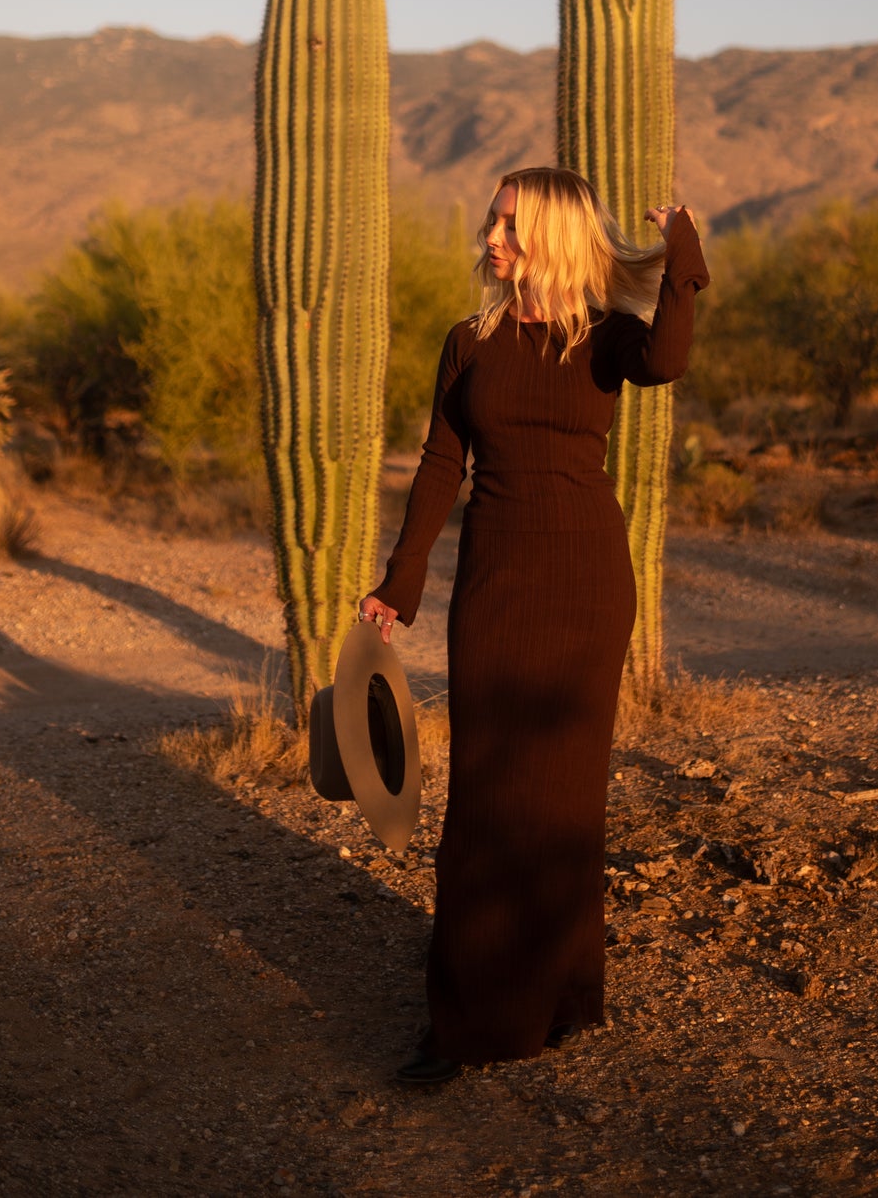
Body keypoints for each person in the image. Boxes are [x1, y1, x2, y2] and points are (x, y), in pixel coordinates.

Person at [358, 164, 710, 1085]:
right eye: (491, 220)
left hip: (586, 577)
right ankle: (467, 1020)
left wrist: (682, 251)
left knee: (562, 793)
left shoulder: (606, 338)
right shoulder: (468, 342)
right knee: (485, 792)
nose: (492, 235)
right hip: (497, 576)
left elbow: (669, 361)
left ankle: (562, 995)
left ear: (550, 234)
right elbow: (441, 464)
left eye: (510, 223)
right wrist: (399, 583)